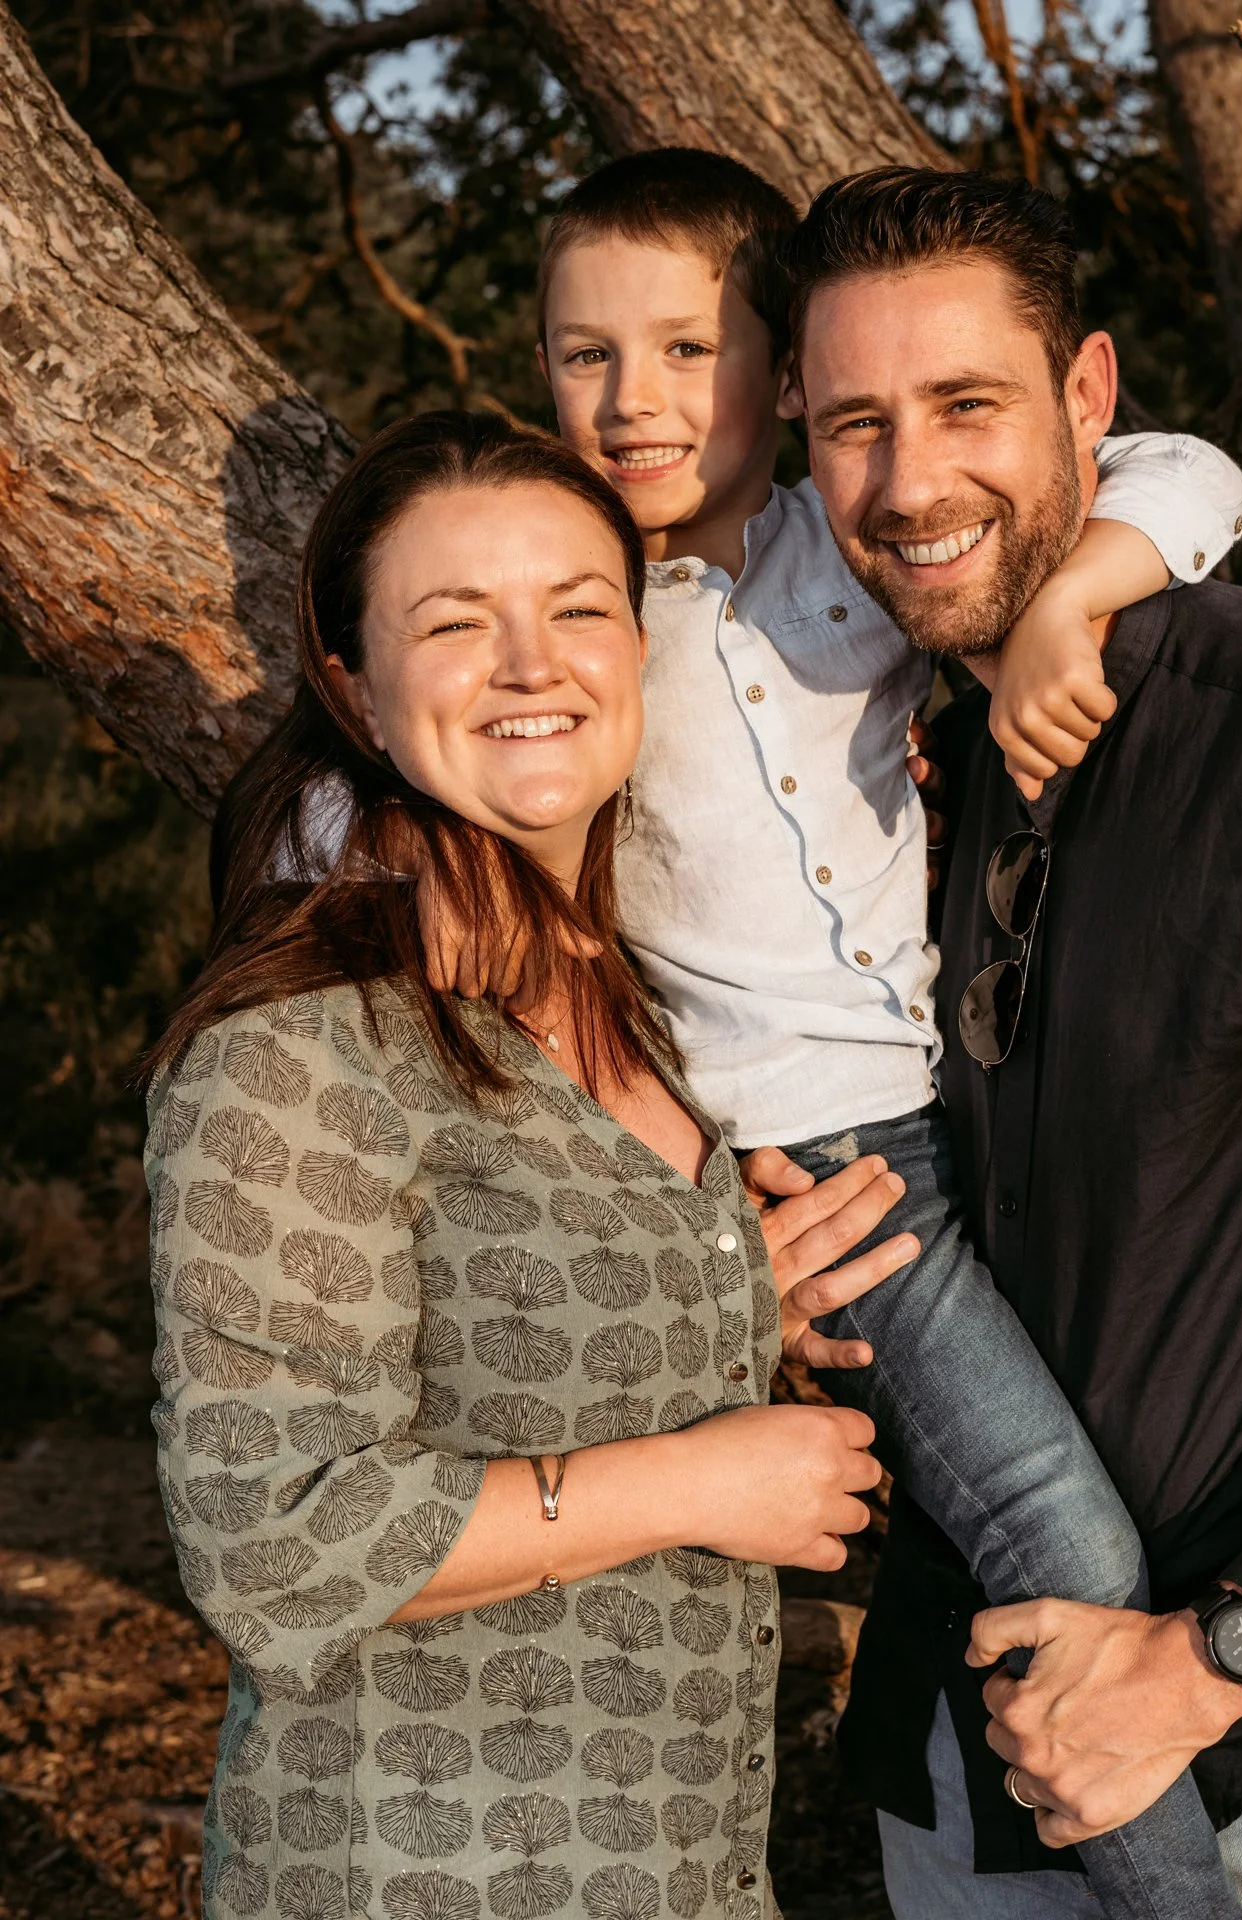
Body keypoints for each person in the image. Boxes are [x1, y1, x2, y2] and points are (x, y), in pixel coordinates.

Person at [409, 149, 1242, 1915]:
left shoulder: (840, 551)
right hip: (841, 1170)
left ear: (785, 377)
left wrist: (1074, 603)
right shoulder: (578, 614)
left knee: (1082, 1507)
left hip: (973, 1110)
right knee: (1067, 1542)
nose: (636, 402)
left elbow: (1191, 471)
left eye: (689, 350)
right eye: (585, 357)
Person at [776, 163, 1242, 1919]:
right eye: (851, 428)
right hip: (957, 1770)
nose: (908, 485)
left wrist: (1218, 1655)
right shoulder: (883, 784)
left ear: (1091, 399)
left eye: (967, 404)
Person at [142, 412, 925, 1920]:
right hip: (425, 1876)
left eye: (578, 608)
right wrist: (704, 1478)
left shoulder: (639, 993)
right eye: (455, 623)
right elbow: (272, 1540)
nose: (531, 663)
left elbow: (492, 1329)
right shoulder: (303, 1042)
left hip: (681, 1874)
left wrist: (724, 1307)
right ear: (356, 689)